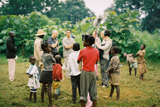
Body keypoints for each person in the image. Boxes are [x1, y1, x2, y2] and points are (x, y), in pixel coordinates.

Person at [77, 34, 99, 107]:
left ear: (87, 42)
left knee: (83, 91)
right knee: (93, 90)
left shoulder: (82, 51)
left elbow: (78, 61)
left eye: (84, 41)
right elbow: (96, 61)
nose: (83, 43)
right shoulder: (96, 51)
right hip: (93, 72)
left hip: (85, 72)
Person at [40, 42, 56, 107]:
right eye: (49, 47)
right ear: (45, 48)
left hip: (43, 71)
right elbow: (54, 61)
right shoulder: (49, 55)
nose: (50, 48)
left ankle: (42, 100)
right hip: (49, 72)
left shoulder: (42, 55)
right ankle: (50, 104)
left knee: (43, 86)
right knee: (49, 87)